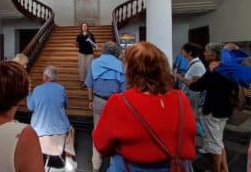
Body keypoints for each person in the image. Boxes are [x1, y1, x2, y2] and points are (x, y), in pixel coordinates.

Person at [92, 42, 196, 172]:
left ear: (131, 70)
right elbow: (189, 136)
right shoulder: (181, 98)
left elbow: (102, 145)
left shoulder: (119, 102)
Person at [189, 43, 237, 172]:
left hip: (213, 111)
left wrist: (192, 81)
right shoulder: (228, 68)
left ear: (213, 54)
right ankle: (224, 169)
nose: (204, 53)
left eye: (206, 51)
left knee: (214, 145)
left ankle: (216, 170)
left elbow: (196, 86)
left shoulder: (213, 71)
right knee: (218, 142)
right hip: (225, 110)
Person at [84, 41, 126, 171]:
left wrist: (90, 100)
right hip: (115, 102)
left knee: (97, 131)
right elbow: (124, 89)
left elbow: (89, 85)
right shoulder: (121, 65)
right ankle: (114, 165)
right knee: (115, 133)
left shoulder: (94, 63)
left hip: (98, 100)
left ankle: (96, 165)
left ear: (104, 51)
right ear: (115, 52)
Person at [27, 65, 77, 171]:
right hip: (60, 134)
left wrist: (28, 93)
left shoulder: (37, 90)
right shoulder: (61, 89)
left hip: (39, 134)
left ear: (45, 77)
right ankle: (68, 160)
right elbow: (65, 104)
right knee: (71, 130)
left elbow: (30, 107)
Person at [175, 43, 206, 112]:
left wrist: (181, 78)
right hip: (190, 95)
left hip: (194, 97)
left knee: (192, 115)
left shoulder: (197, 65)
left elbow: (195, 85)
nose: (181, 51)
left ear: (189, 53)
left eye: (183, 50)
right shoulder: (193, 63)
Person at [76, 22, 96, 88]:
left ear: (87, 27)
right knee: (82, 68)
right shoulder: (78, 35)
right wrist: (76, 44)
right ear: (81, 28)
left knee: (88, 67)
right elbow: (77, 45)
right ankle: (82, 82)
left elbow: (94, 46)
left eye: (85, 26)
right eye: (83, 26)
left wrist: (90, 40)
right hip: (81, 53)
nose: (84, 27)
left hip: (89, 53)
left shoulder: (91, 35)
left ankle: (88, 82)